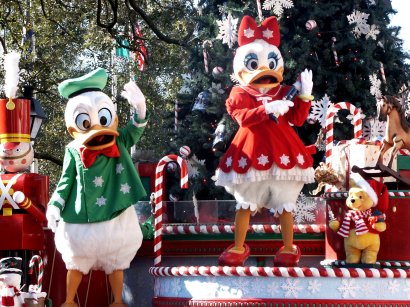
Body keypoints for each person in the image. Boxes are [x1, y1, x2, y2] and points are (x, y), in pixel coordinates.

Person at [214, 15, 315, 267]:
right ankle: (238, 247)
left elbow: (298, 119)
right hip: (251, 153)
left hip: (283, 153)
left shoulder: (283, 91)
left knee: (285, 204)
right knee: (246, 202)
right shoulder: (239, 92)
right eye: (254, 64)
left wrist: (304, 96)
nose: (263, 71)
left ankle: (289, 249)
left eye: (270, 63)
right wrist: (268, 109)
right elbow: (243, 119)